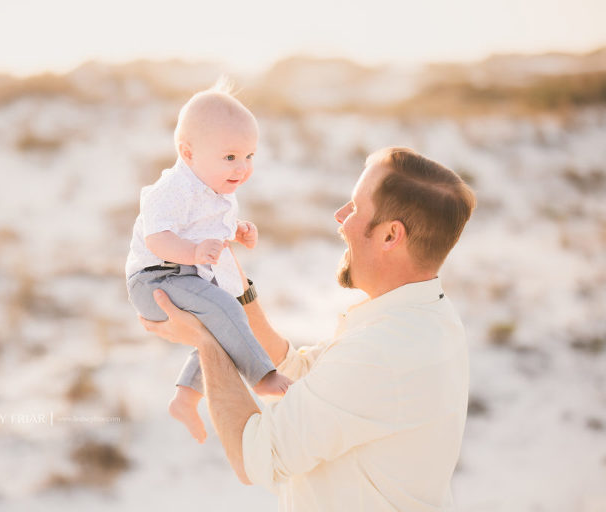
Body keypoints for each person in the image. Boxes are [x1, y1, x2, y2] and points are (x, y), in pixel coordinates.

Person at [141, 147, 477, 511]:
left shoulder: (379, 352)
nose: (340, 217)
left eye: (354, 208)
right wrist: (237, 294)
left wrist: (206, 342)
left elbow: (253, 456)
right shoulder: (428, 318)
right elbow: (300, 377)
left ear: (390, 236)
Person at [125, 81, 292, 444]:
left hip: (183, 273)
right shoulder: (171, 190)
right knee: (224, 308)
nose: (243, 168)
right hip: (154, 278)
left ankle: (186, 398)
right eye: (230, 157)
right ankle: (263, 377)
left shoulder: (217, 189)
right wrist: (194, 253)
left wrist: (238, 232)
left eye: (250, 156)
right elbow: (158, 239)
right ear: (188, 154)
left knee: (226, 325)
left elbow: (213, 228)